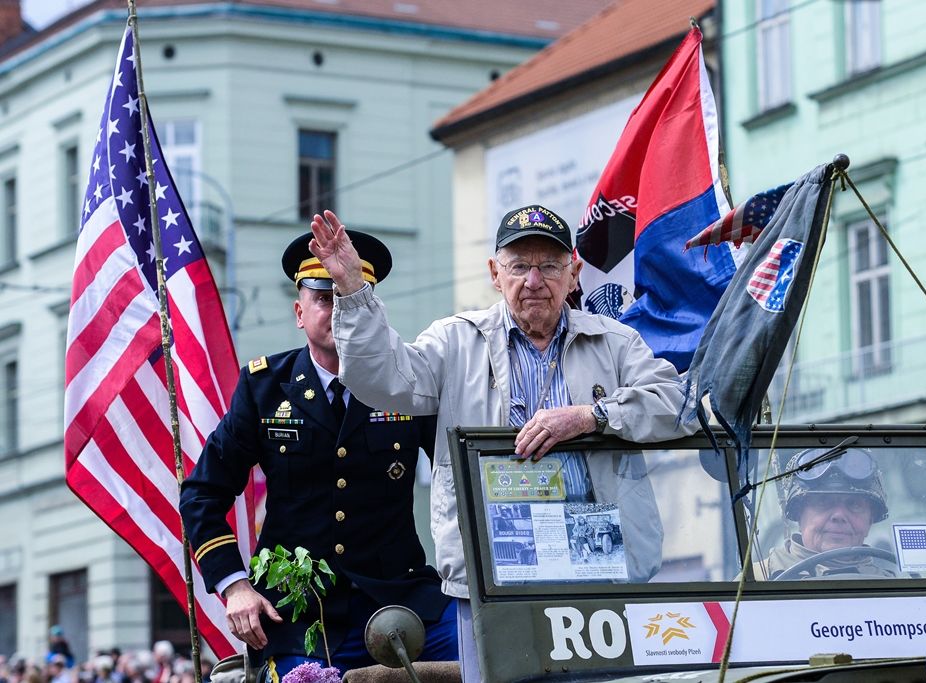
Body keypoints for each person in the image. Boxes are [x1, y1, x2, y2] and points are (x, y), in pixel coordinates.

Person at [309, 204, 688, 678]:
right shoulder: (455, 341)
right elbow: (381, 379)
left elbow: (675, 403)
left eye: (549, 266)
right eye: (518, 266)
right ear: (495, 272)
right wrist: (352, 290)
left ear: (573, 272)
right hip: (495, 563)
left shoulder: (615, 342)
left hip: (597, 558)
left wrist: (592, 416)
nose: (534, 280)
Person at [179, 231, 456, 681]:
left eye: (350, 298)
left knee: (489, 652)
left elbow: (461, 473)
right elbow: (202, 494)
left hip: (402, 598)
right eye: (326, 298)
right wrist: (235, 587)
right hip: (297, 616)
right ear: (299, 312)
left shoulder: (409, 382)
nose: (339, 311)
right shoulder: (265, 387)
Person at [753, 447, 895, 580]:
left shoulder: (898, 589)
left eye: (854, 505)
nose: (839, 515)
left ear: (870, 520)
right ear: (799, 516)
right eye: (823, 502)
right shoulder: (755, 580)